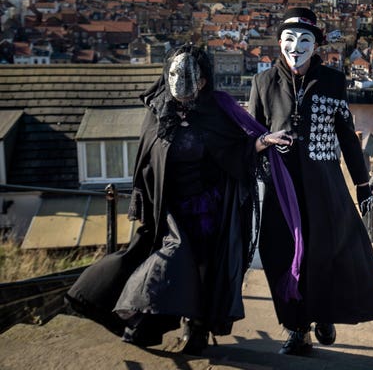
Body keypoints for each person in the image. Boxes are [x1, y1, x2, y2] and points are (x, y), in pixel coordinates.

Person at [66, 45, 294, 355]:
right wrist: (143, 203)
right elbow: (146, 163)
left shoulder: (217, 112)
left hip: (209, 209)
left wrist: (261, 141)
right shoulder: (158, 112)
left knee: (202, 269)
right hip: (169, 209)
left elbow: (234, 151)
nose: (182, 84)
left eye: (191, 78)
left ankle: (195, 328)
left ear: (202, 81)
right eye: (174, 74)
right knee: (169, 261)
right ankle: (141, 321)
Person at [248, 7, 373, 356]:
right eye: (289, 40)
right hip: (281, 189)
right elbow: (249, 135)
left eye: (304, 40)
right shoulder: (262, 83)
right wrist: (264, 143)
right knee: (283, 255)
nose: (296, 47)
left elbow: (347, 136)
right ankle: (297, 328)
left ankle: (324, 314)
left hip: (325, 185)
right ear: (279, 43)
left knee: (325, 253)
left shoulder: (333, 82)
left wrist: (362, 184)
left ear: (316, 44)